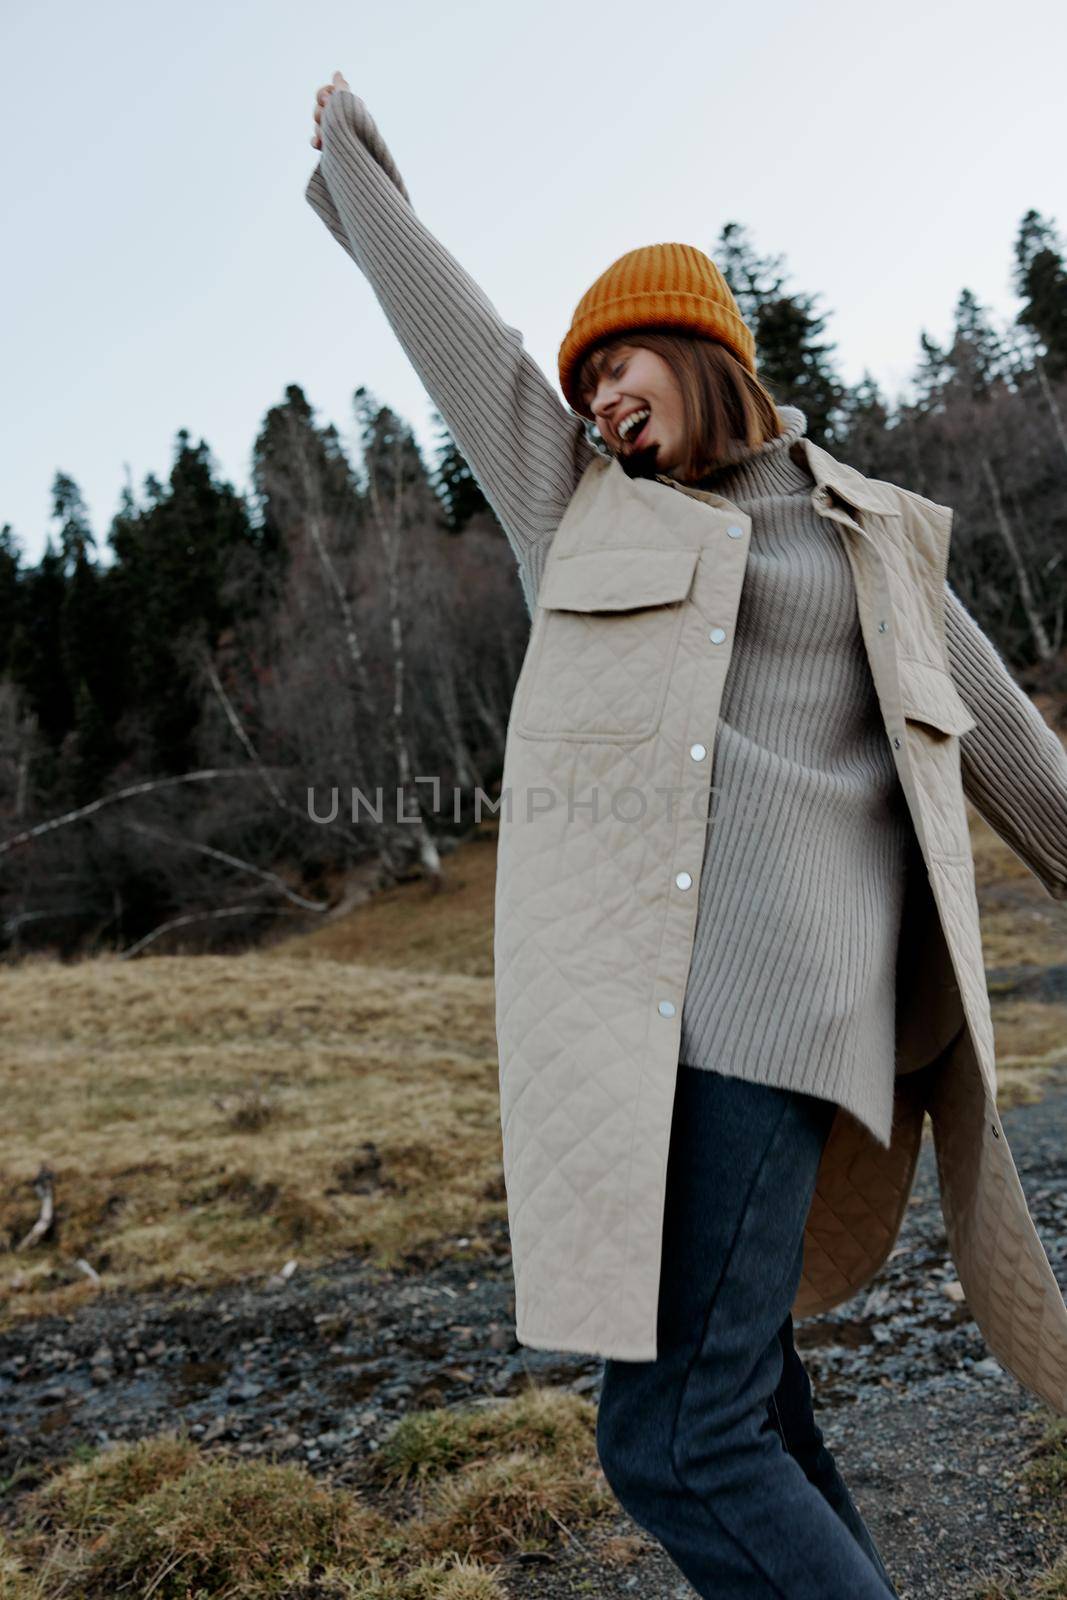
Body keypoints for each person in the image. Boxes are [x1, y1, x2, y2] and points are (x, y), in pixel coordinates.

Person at [305, 71, 1066, 1598]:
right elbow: (475, 361)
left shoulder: (872, 539)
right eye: (585, 386)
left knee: (672, 1442)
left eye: (621, 365)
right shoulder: (589, 515)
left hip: (777, 1022)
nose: (596, 401)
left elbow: (1022, 763)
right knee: (749, 1408)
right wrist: (362, 185)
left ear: (708, 353)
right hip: (649, 1035)